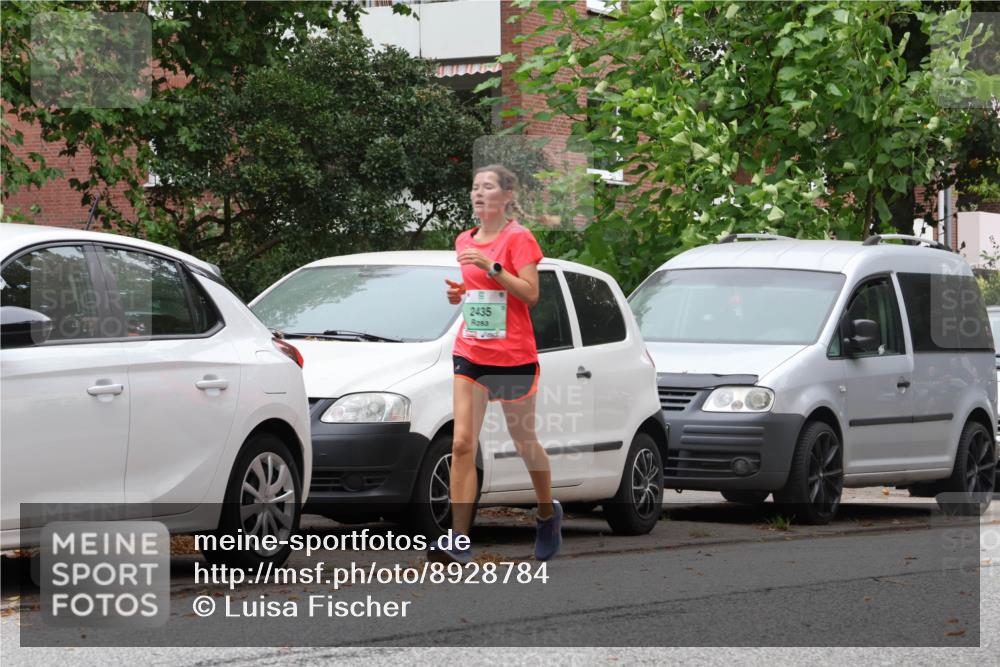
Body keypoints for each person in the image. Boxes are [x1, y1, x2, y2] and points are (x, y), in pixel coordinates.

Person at [432, 164, 562, 564]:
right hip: (471, 351)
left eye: (487, 187)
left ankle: (546, 514)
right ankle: (458, 538)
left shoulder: (518, 238)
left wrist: (492, 267)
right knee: (461, 442)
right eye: (474, 187)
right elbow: (478, 295)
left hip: (513, 357)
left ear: (507, 196)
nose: (478, 193)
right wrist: (461, 294)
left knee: (525, 443)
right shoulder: (463, 239)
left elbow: (530, 294)